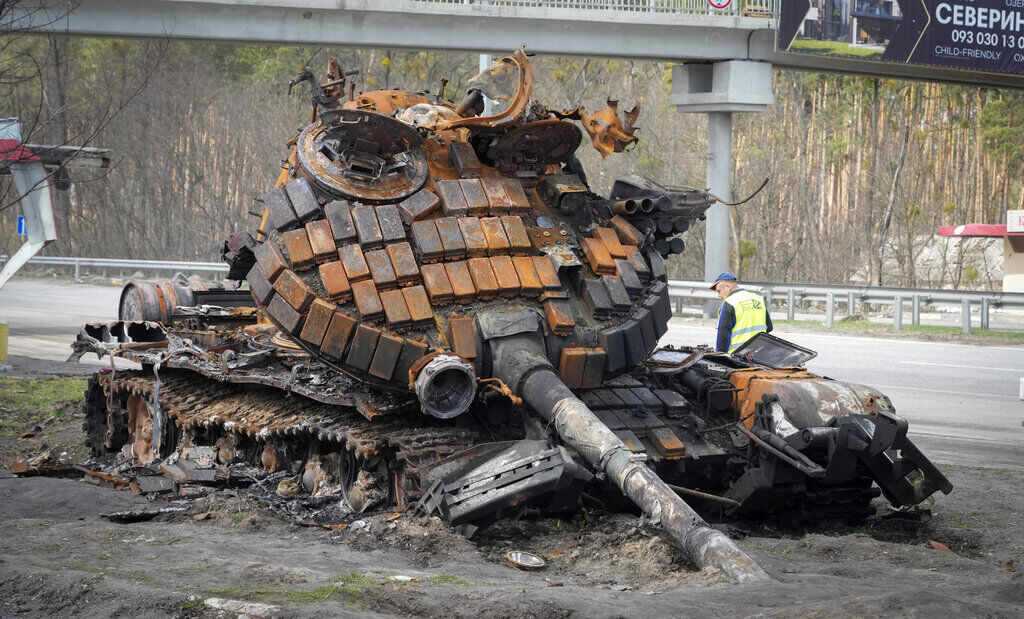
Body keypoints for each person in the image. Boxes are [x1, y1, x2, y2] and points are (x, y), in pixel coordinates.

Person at [709, 272, 773, 353]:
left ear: (728, 287)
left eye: (719, 291)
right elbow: (769, 327)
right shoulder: (758, 299)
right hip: (759, 352)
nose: (718, 295)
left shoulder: (729, 302)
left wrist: (720, 354)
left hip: (737, 354)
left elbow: (723, 336)